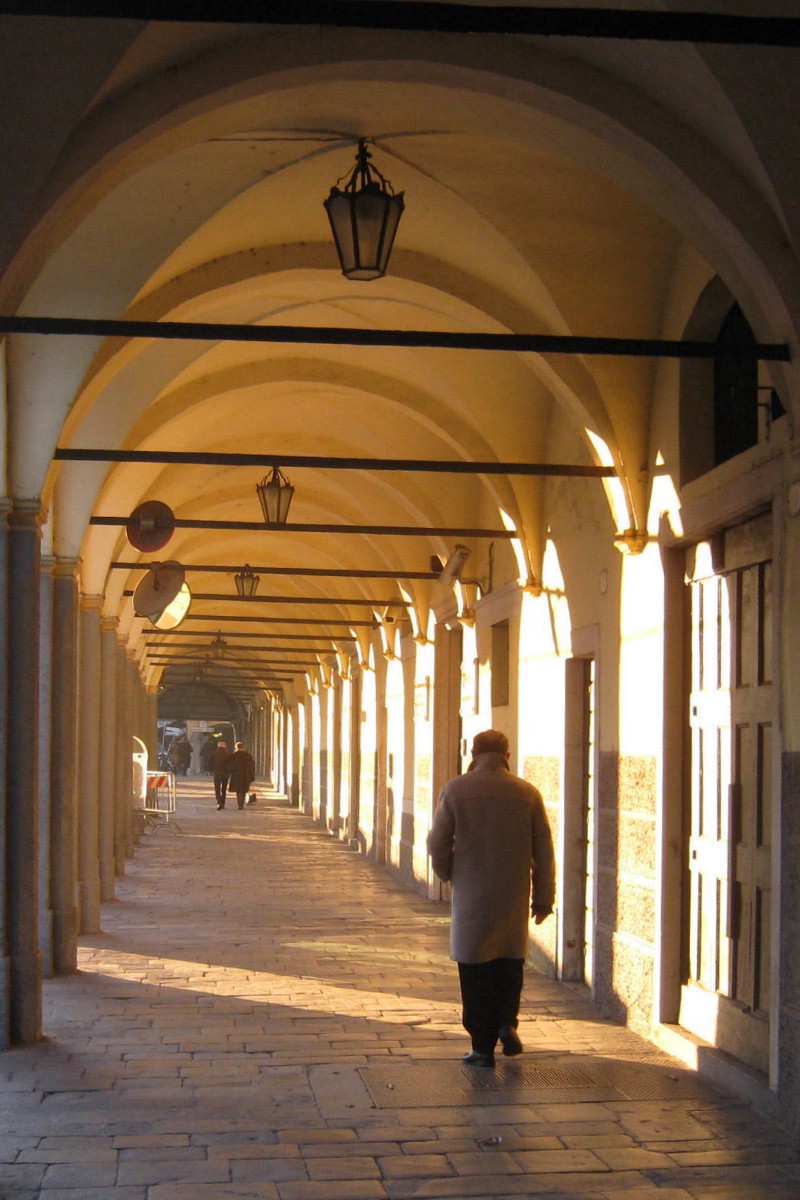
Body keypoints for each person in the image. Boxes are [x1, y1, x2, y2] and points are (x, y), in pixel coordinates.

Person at [427, 729, 555, 1068]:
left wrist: (448, 874)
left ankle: (481, 1047)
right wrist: (544, 897)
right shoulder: (527, 793)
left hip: (471, 895)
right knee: (509, 963)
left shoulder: (456, 790)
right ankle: (507, 1022)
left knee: (474, 969)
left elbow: (437, 842)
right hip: (512, 895)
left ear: (473, 753)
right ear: (507, 755)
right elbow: (544, 849)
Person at [226, 740, 256, 810]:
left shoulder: (233, 755)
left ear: (236, 747)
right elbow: (251, 766)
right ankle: (241, 803)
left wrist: (230, 772)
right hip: (246, 775)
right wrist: (252, 776)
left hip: (236, 776)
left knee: (238, 790)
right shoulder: (248, 755)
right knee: (243, 790)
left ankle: (239, 804)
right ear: (243, 747)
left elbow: (230, 766)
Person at [209, 740, 232, 809]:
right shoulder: (228, 754)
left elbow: (210, 763)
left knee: (217, 788)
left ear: (218, 746)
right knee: (224, 789)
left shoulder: (214, 754)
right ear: (225, 746)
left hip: (217, 773)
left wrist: (212, 770)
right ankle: (223, 802)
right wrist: (229, 771)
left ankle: (219, 801)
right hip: (225, 773)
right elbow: (231, 764)